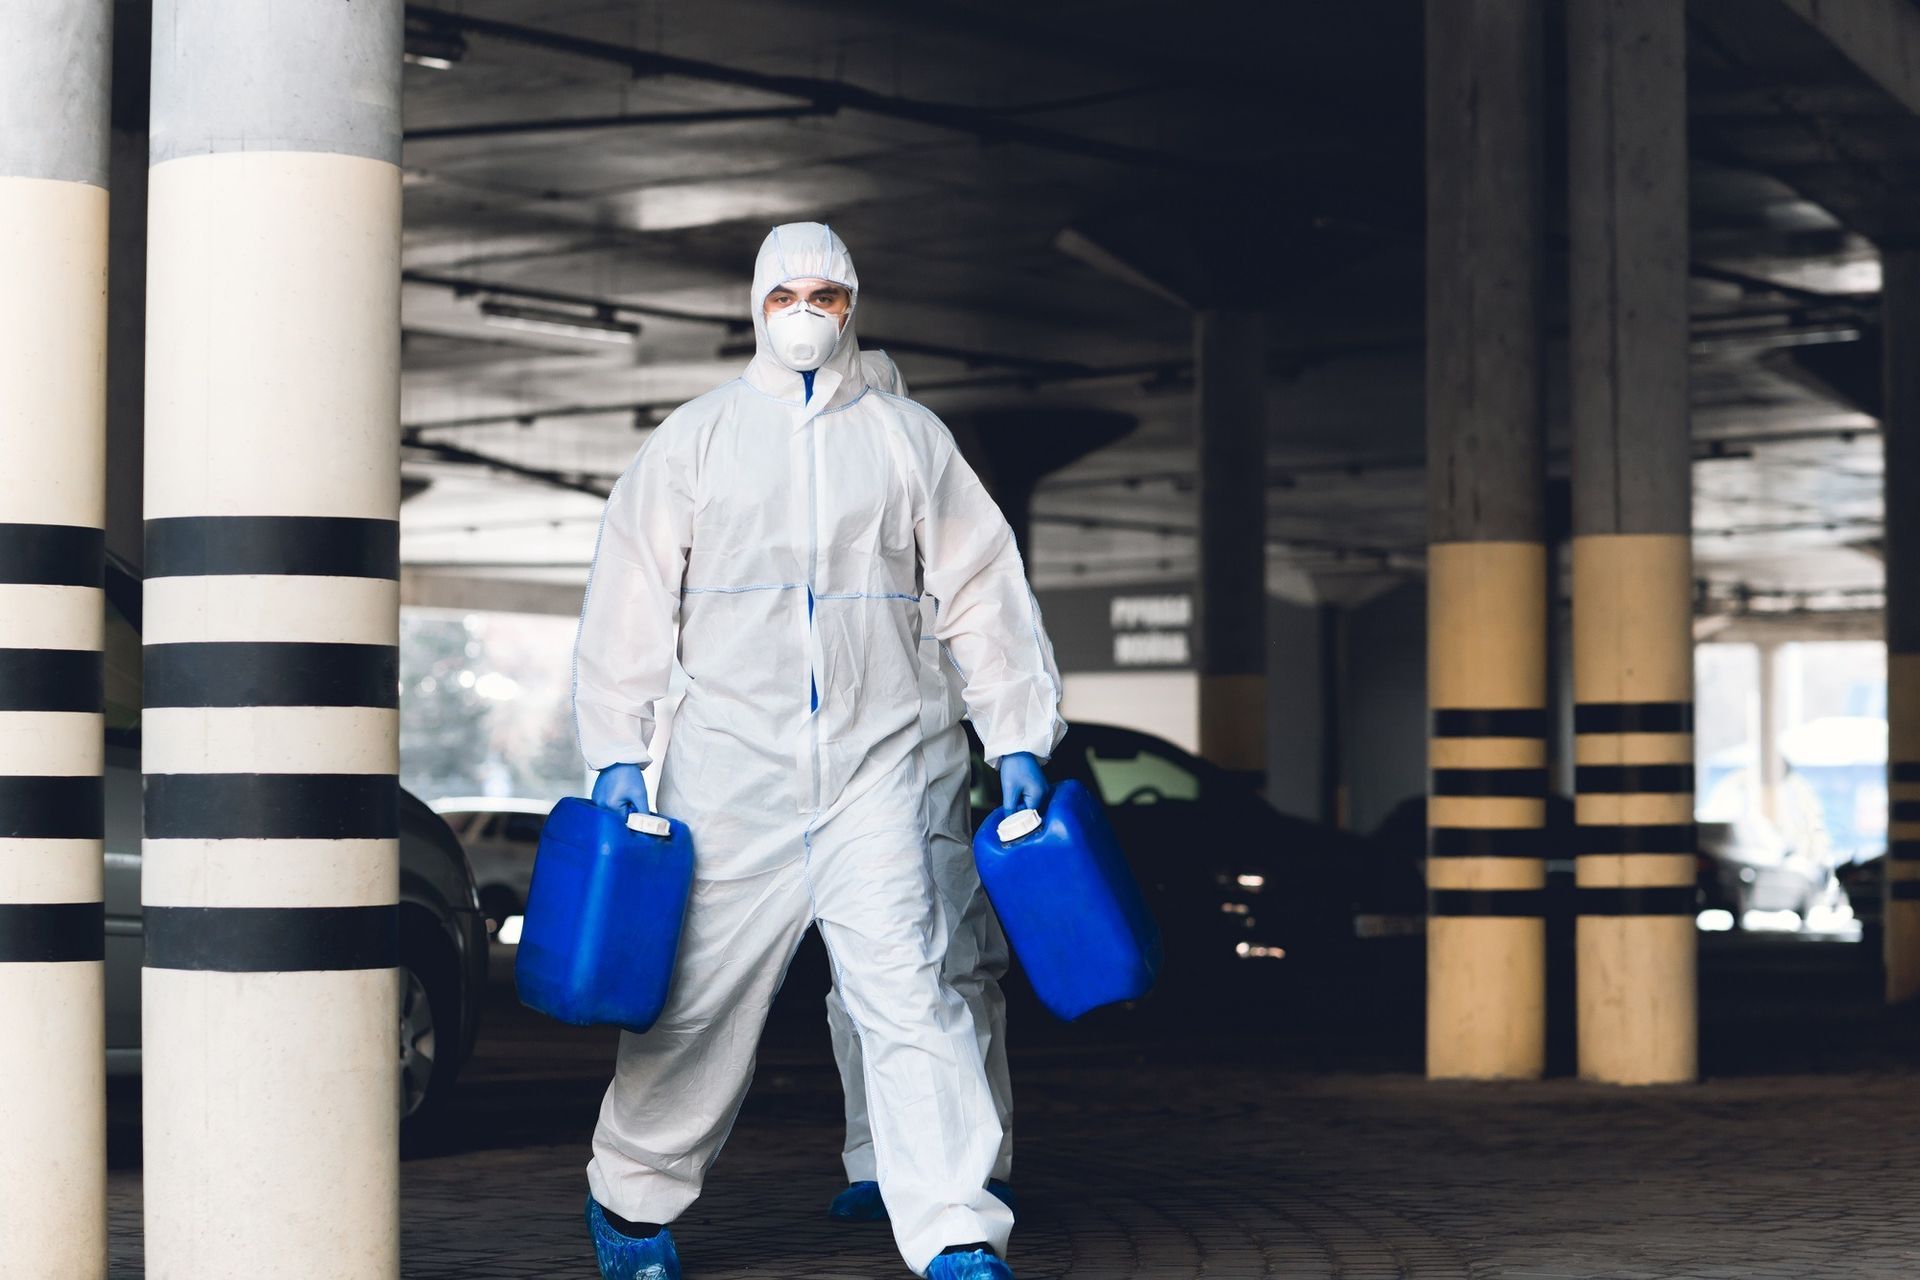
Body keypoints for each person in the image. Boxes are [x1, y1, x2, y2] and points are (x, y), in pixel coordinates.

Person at [572, 222, 1064, 1280]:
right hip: (729, 768)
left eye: (827, 295)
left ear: (855, 306)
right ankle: (631, 1197)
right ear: (755, 304)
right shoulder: (697, 437)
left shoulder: (907, 437)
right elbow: (629, 595)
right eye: (787, 292)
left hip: (875, 768)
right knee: (698, 1000)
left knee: (911, 993)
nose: (807, 312)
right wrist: (619, 744)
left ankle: (957, 1228)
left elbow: (982, 590)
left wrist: (1016, 730)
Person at [825, 352, 1016, 1226]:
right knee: (861, 990)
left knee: (957, 974)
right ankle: (875, 1163)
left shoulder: (936, 522)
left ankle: (982, 1163)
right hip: (852, 802)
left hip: (932, 792)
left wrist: (1017, 746)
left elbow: (991, 641)